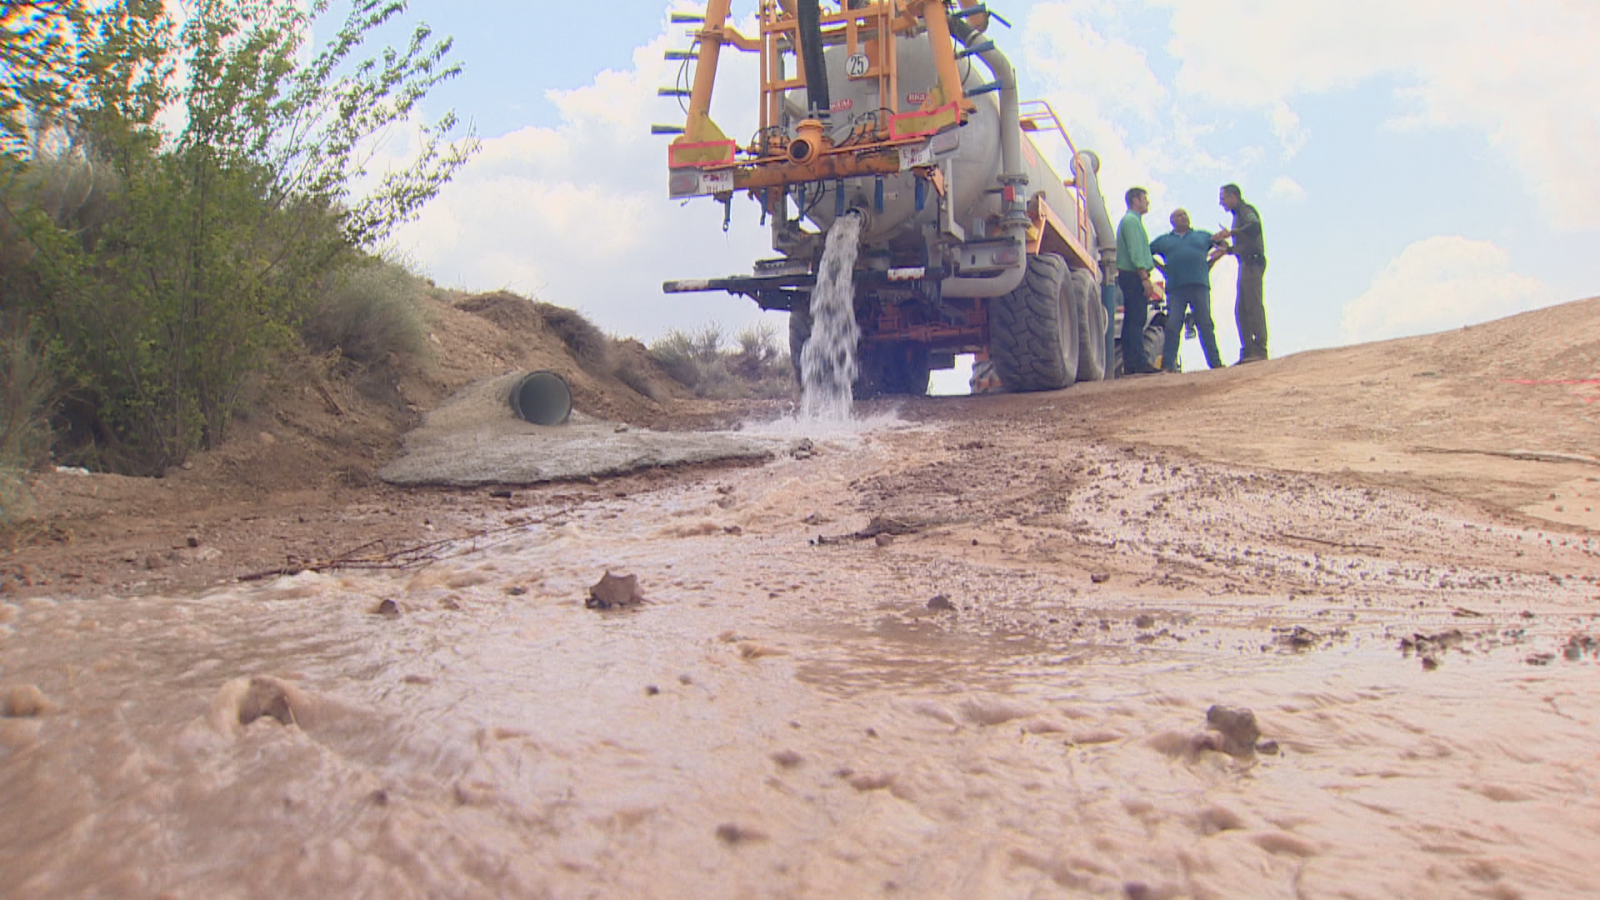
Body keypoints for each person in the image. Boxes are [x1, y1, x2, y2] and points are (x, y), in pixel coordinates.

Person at [1150, 208, 1224, 370]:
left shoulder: (1202, 236)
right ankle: (1168, 365)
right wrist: (1162, 269)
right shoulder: (1164, 240)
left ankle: (1215, 363)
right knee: (1173, 325)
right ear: (1172, 221)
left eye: (1185, 215)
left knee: (1205, 323)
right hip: (1176, 288)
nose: (1183, 217)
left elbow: (1223, 245)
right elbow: (1147, 253)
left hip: (1199, 285)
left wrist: (1211, 263)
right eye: (1178, 216)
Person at [1210, 183, 1267, 363]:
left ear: (1233, 196)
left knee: (1252, 305)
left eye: (1223, 198)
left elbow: (1254, 227)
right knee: (1242, 309)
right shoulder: (1237, 216)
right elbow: (1244, 243)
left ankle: (1259, 348)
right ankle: (1249, 350)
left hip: (1252, 263)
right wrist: (1227, 250)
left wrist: (1232, 233)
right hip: (1245, 263)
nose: (1221, 203)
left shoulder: (1246, 210)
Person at [1115, 186, 1161, 376]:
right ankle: (1138, 362)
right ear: (1135, 200)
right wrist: (1144, 277)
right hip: (1134, 275)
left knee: (1133, 320)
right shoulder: (1132, 222)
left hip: (1130, 274)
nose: (1147, 202)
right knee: (1136, 319)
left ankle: (1132, 363)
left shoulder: (1132, 221)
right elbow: (1135, 252)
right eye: (1145, 198)